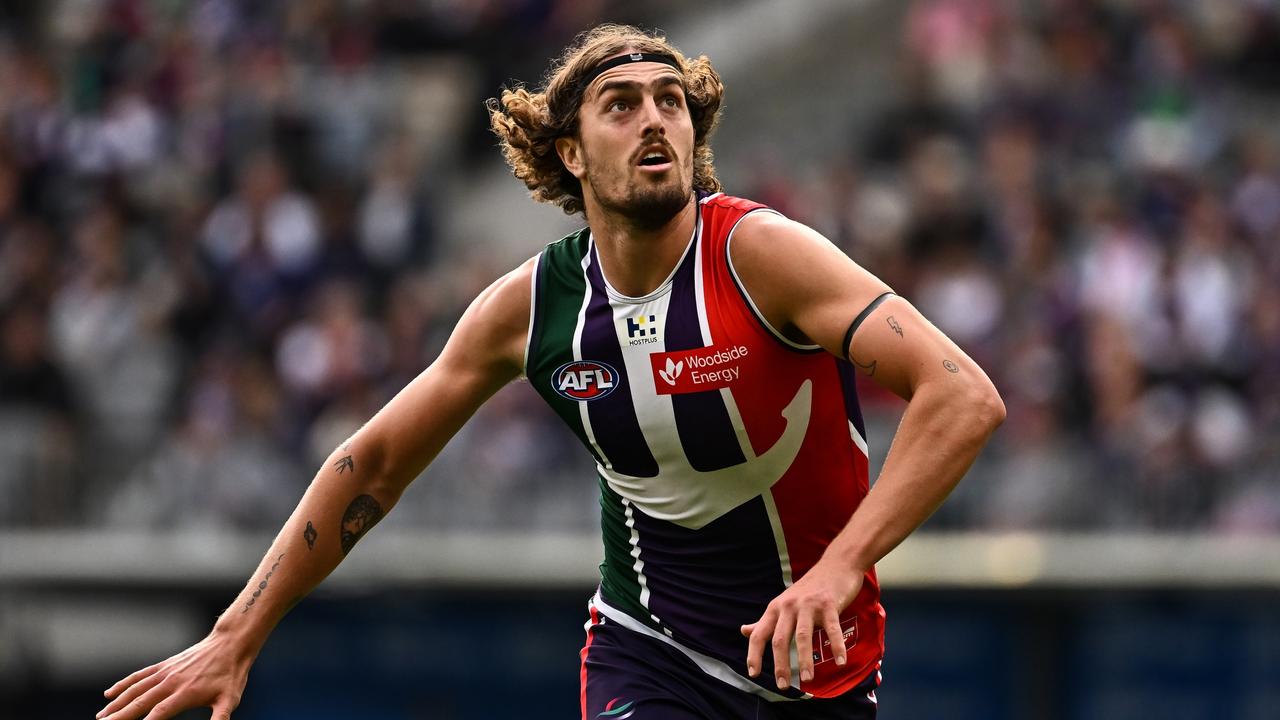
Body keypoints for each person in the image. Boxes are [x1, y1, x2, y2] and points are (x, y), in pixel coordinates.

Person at [98, 24, 1004, 720]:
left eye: (670, 101)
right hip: (648, 648)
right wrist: (234, 634)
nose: (654, 118)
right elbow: (370, 465)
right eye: (621, 104)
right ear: (571, 153)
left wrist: (839, 568)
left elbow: (961, 395)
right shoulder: (530, 309)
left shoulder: (763, 255)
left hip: (817, 655)